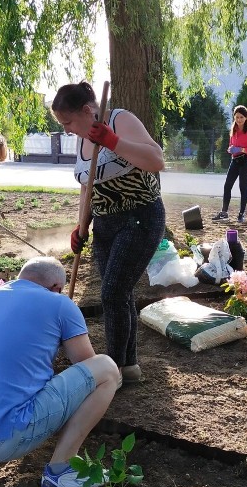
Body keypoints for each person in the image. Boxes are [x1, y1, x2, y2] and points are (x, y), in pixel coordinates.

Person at [0, 257, 120, 487]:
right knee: (106, 369)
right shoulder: (59, 303)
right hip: (3, 441)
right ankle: (61, 470)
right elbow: (87, 367)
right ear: (56, 288)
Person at [51, 82, 166, 383]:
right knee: (120, 292)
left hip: (139, 217)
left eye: (68, 122)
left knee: (113, 291)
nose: (67, 130)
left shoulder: (120, 120)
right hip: (105, 224)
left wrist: (114, 141)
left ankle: (111, 371)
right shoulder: (81, 139)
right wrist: (82, 224)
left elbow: (157, 160)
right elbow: (86, 186)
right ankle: (127, 367)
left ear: (88, 111)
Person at [213, 105, 247, 223]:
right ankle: (224, 213)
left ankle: (241, 214)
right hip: (235, 161)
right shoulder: (233, 129)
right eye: (237, 117)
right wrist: (231, 149)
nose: (239, 120)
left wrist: (241, 149)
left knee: (242, 187)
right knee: (227, 186)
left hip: (245, 161)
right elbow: (231, 145)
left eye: (241, 117)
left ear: (246, 117)